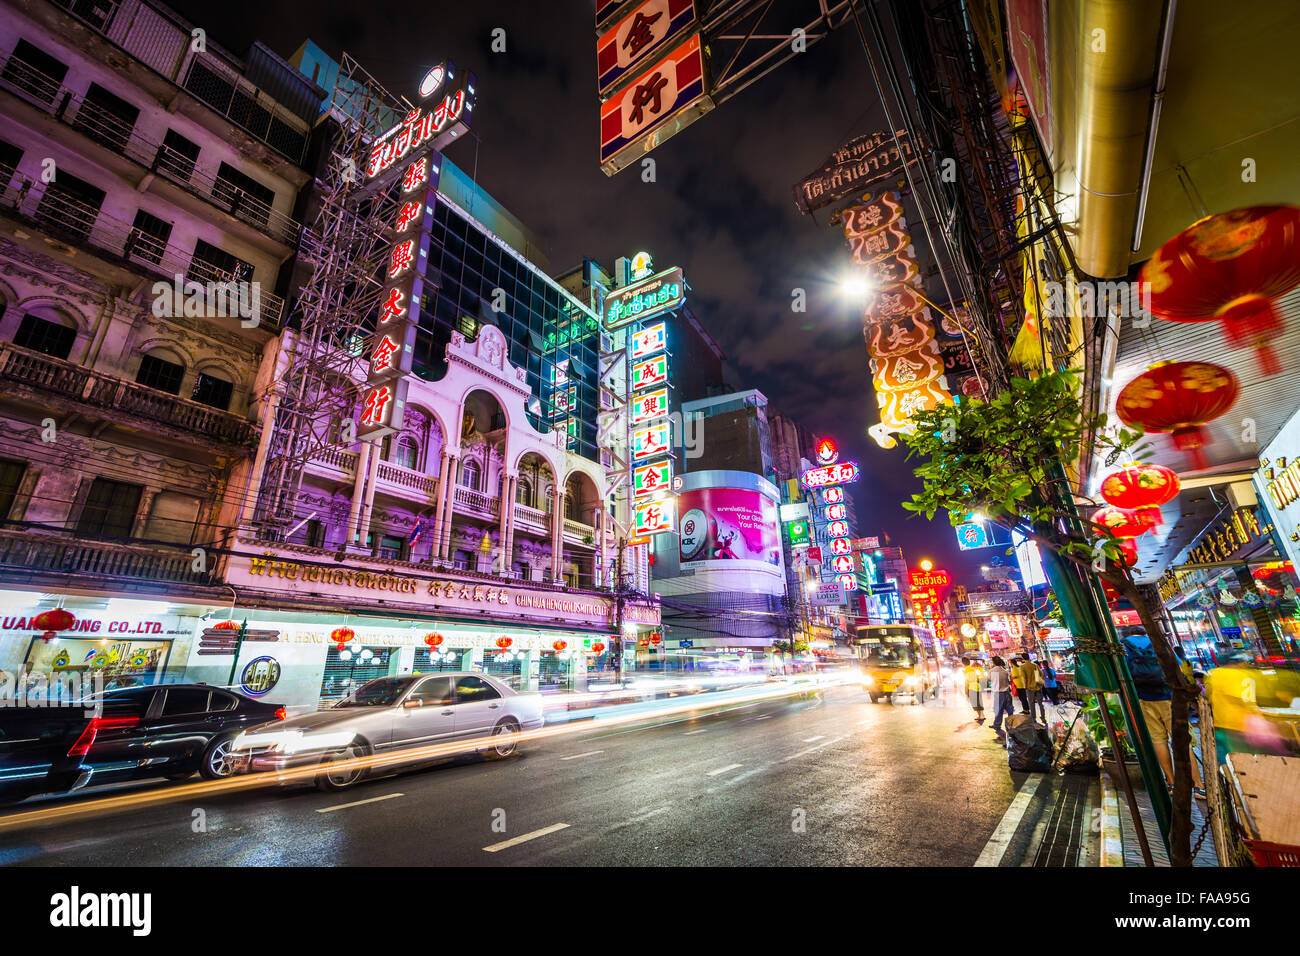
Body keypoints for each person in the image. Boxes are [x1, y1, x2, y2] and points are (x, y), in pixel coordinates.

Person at [1119, 626, 1206, 799]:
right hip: (1169, 696)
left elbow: (1123, 674)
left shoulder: (1124, 646)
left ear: (1128, 634)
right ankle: (1198, 785)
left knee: (1159, 740)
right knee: (1182, 740)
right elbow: (1177, 670)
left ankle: (1172, 782)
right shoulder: (1159, 642)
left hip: (1143, 698)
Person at [988, 656, 1014, 737]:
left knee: (998, 710)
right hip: (1007, 692)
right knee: (1010, 710)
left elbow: (989, 679)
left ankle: (997, 725)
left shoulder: (992, 671)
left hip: (998, 693)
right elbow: (1009, 680)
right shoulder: (1005, 671)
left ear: (994, 662)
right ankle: (1011, 724)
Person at [962, 656, 985, 723]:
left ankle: (981, 716)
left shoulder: (966, 670)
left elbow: (967, 681)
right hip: (977, 686)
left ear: (963, 663)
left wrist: (966, 691)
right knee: (978, 701)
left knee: (975, 703)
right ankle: (981, 715)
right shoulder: (972, 669)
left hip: (972, 688)